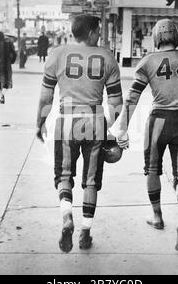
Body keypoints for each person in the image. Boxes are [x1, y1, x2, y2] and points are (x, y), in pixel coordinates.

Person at [113, 19, 178, 253]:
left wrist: (121, 127)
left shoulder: (147, 62)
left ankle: (157, 216)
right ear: (177, 36)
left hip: (158, 123)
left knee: (152, 170)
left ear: (155, 37)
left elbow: (131, 98)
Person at [35, 15, 124, 253]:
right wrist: (114, 133)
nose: (100, 36)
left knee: (64, 176)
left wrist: (40, 122)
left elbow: (46, 97)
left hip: (66, 121)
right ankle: (85, 232)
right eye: (98, 32)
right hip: (95, 121)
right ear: (93, 33)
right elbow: (116, 102)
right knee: (91, 181)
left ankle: (66, 216)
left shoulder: (56, 54)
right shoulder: (107, 57)